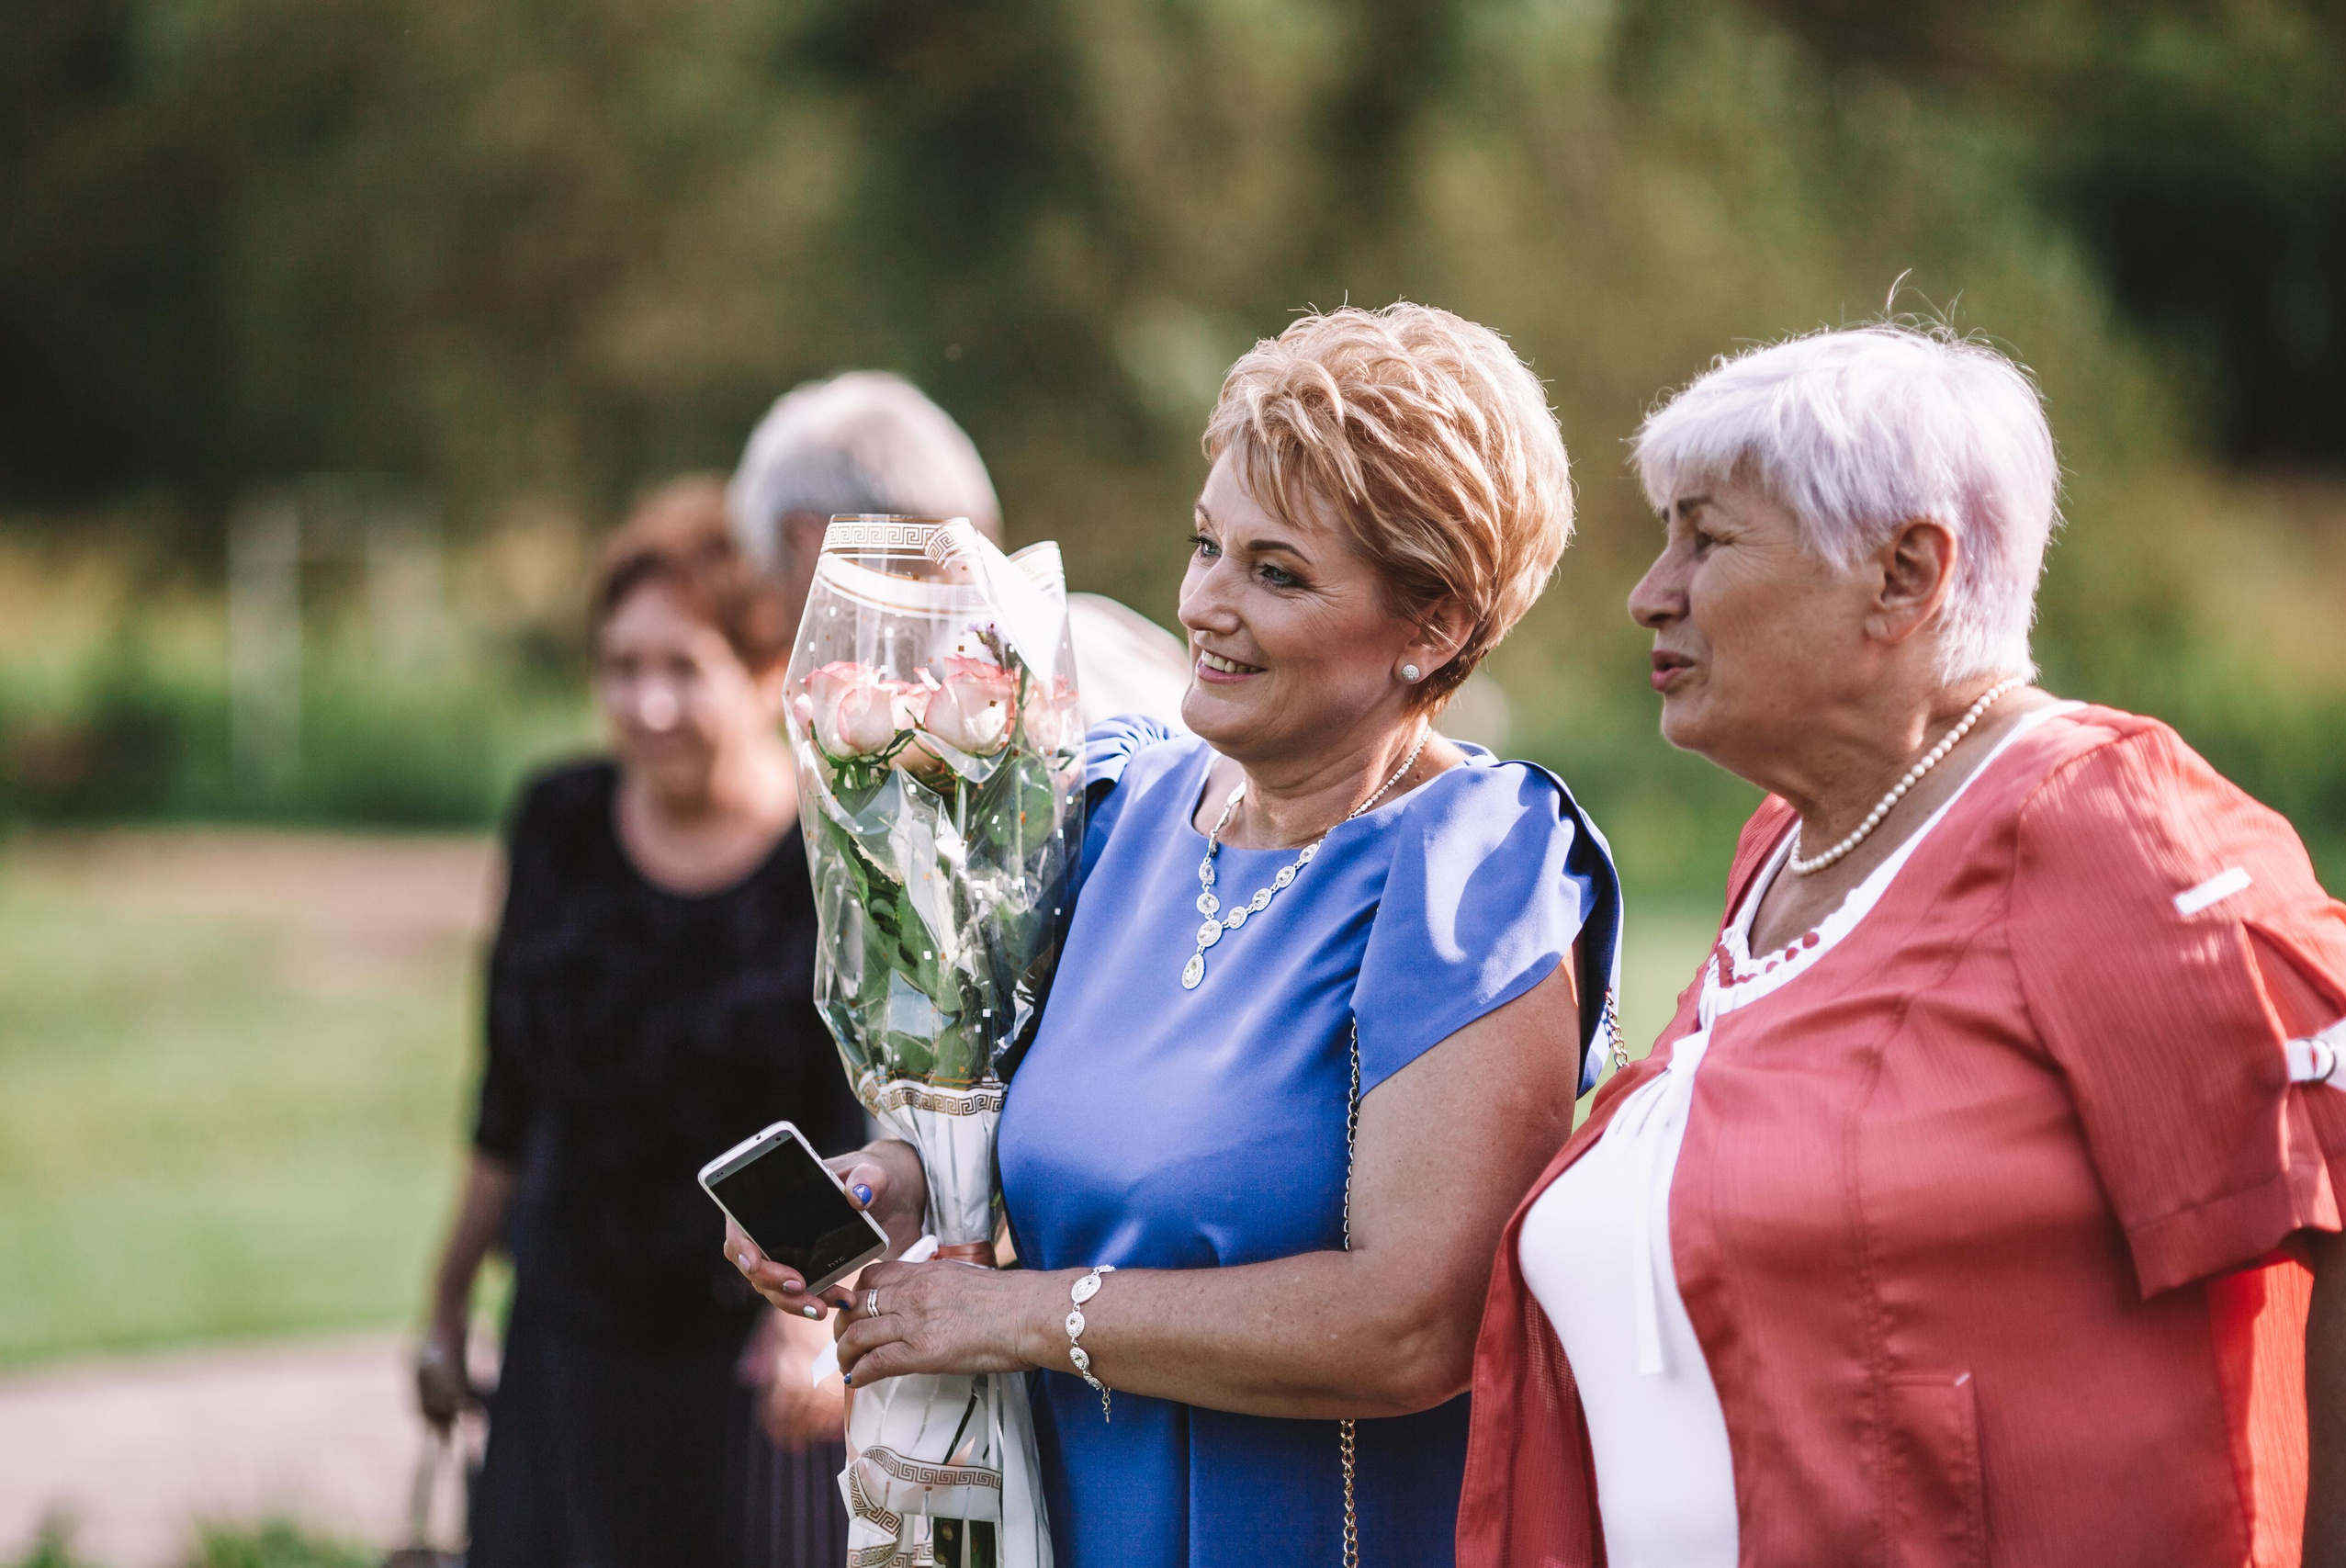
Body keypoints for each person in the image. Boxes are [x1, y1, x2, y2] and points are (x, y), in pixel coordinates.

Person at [729, 303, 1625, 1565]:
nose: (1207, 602)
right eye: (1208, 543)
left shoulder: (1470, 869)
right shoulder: (1109, 810)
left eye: (1278, 572)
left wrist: (1017, 1315)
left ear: (1430, 624)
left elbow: (1412, 1326)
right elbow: (1083, 1151)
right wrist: (894, 1185)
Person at [1458, 324, 2346, 1566]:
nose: (1649, 591)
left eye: (1706, 538)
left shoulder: (2109, 822)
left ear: (1903, 573)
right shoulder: (1791, 844)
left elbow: (2336, 1191)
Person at [415, 479, 866, 1568]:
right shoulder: (558, 820)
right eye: (622, 667)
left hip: (748, 1366)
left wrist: (814, 1331)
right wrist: (444, 1299)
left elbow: (851, 1120)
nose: (646, 703)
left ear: (767, 676)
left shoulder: (830, 855)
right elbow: (508, 1095)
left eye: (682, 668)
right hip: (565, 1341)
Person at [727, 369, 1194, 728]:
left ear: (807, 546)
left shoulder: (964, 699)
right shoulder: (1101, 636)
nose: (781, 630)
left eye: (772, 585)